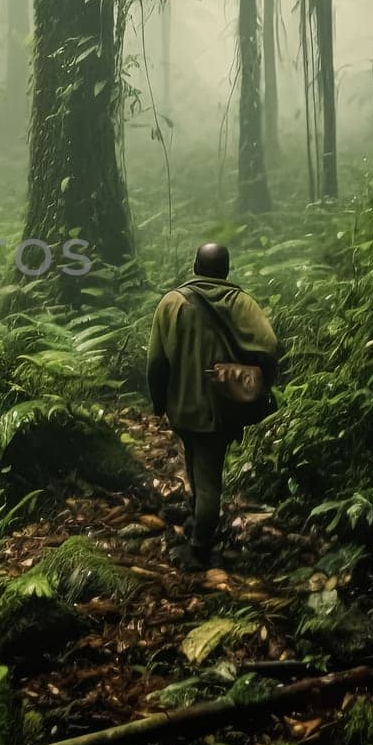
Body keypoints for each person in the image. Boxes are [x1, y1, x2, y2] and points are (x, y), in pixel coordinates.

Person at [147, 243, 279, 569]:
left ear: (195, 266)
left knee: (203, 476)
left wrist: (159, 402)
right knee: (207, 470)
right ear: (226, 269)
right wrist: (260, 385)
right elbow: (269, 347)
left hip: (182, 405)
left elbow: (156, 364)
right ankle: (200, 524)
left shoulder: (171, 303)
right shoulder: (241, 302)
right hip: (223, 407)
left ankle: (199, 549)